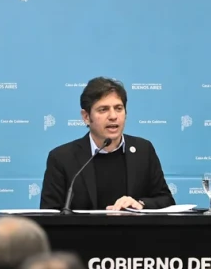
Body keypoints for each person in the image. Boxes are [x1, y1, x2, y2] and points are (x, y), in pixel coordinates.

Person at [40, 77, 175, 211]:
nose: (113, 116)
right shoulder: (62, 158)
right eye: (103, 109)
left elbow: (166, 200)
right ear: (86, 117)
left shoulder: (143, 150)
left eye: (118, 108)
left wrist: (140, 204)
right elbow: (49, 213)